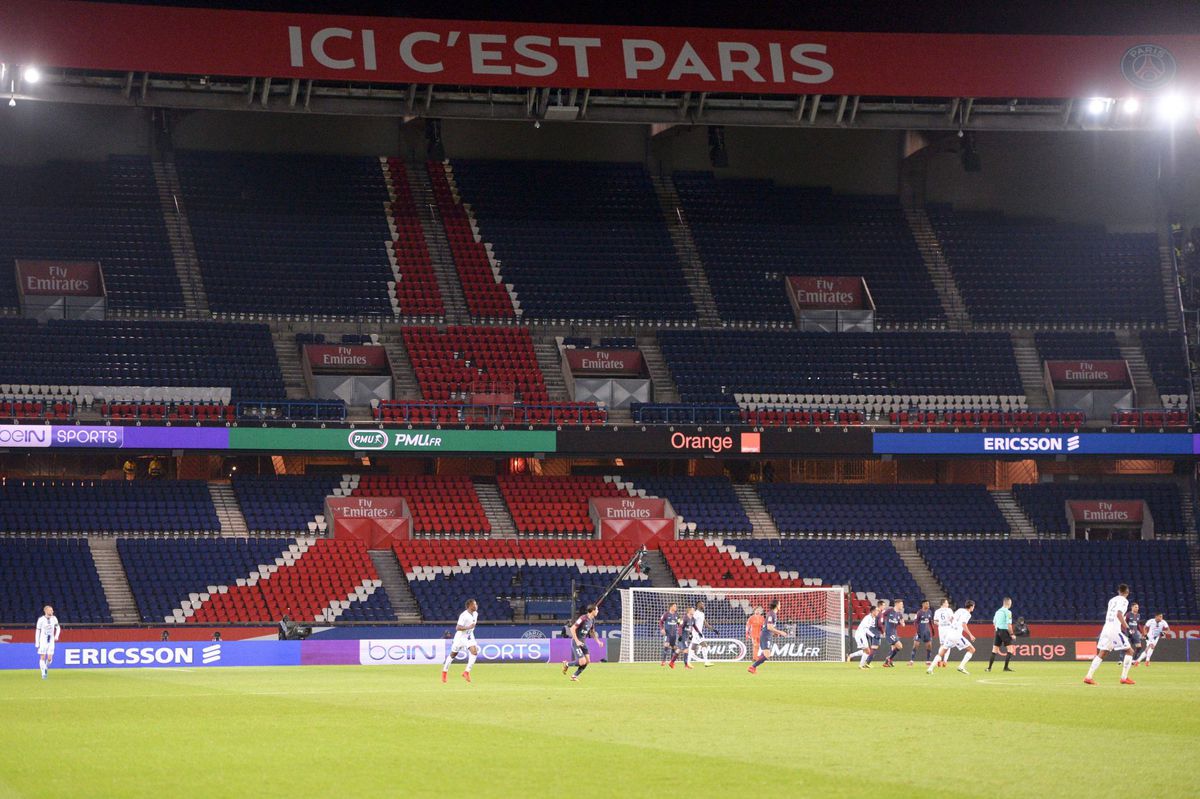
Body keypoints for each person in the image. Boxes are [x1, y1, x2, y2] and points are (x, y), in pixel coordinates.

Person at [1083, 584, 1135, 686]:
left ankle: (1088, 677)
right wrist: (1127, 628)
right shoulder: (1124, 601)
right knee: (1130, 651)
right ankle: (1124, 678)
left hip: (1106, 628)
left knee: (1103, 653)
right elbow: (1119, 614)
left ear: (1118, 591)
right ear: (1127, 592)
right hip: (1114, 630)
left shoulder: (1111, 600)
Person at [928, 600, 976, 675]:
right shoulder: (968, 614)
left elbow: (951, 619)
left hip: (950, 633)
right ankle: (961, 666)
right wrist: (970, 635)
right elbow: (963, 624)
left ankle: (930, 668)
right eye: (973, 606)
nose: (974, 608)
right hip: (957, 635)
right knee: (972, 649)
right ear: (971, 606)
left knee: (942, 652)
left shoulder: (960, 610)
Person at [441, 598, 479, 684]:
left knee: (474, 652)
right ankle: (444, 672)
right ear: (470, 606)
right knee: (453, 654)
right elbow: (457, 627)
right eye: (474, 604)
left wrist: (470, 630)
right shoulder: (463, 615)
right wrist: (468, 627)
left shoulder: (475, 614)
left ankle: (466, 672)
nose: (476, 606)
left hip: (469, 636)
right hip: (460, 637)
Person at [747, 599, 789, 674]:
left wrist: (774, 633)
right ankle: (752, 667)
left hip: (767, 635)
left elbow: (768, 627)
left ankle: (754, 665)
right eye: (779, 604)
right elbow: (769, 627)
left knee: (766, 654)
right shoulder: (771, 614)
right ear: (776, 606)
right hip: (765, 636)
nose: (780, 605)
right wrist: (780, 632)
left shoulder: (772, 614)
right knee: (767, 655)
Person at [562, 603, 600, 682]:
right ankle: (567, 664)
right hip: (576, 642)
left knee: (588, 661)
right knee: (582, 661)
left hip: (583, 642)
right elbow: (572, 629)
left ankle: (574, 676)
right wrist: (577, 641)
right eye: (596, 609)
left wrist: (598, 641)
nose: (598, 611)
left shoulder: (592, 620)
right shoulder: (583, 618)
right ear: (592, 611)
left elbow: (592, 632)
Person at [986, 597, 1016, 673]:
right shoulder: (1008, 612)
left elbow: (994, 622)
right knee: (1010, 650)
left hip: (997, 631)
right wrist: (1012, 634)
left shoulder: (997, 612)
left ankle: (989, 668)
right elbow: (1009, 624)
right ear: (1009, 603)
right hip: (1004, 631)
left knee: (994, 650)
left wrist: (997, 629)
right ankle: (1005, 668)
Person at [848, 605, 881, 669]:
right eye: (877, 610)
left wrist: (873, 636)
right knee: (867, 651)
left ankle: (851, 656)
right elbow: (865, 629)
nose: (878, 612)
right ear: (872, 611)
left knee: (866, 651)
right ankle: (861, 665)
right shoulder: (867, 618)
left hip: (863, 635)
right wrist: (874, 636)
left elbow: (867, 629)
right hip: (860, 635)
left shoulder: (873, 618)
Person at [36, 605, 60, 680]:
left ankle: (45, 667)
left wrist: (56, 636)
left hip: (51, 641)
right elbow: (38, 631)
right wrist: (37, 642)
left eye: (52, 610)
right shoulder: (41, 619)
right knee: (42, 657)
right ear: (46, 611)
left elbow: (58, 627)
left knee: (49, 658)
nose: (52, 611)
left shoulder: (54, 618)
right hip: (43, 640)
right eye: (50, 610)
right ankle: (43, 673)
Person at [908, 599, 934, 667]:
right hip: (920, 631)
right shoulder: (919, 612)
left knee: (929, 646)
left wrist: (933, 630)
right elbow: (915, 622)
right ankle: (911, 660)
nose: (928, 605)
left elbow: (930, 622)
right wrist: (917, 631)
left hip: (927, 632)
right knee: (915, 645)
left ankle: (928, 661)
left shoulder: (930, 612)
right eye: (927, 604)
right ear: (923, 604)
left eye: (928, 604)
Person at [689, 600, 713, 668]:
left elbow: (705, 624)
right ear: (698, 605)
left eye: (703, 604)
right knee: (704, 645)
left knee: (693, 648)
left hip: (699, 633)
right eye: (702, 604)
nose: (703, 605)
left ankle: (687, 662)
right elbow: (692, 623)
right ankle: (706, 662)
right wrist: (691, 633)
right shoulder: (696, 613)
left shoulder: (702, 613)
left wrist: (713, 629)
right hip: (696, 633)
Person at [931, 598, 954, 669]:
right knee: (948, 645)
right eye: (947, 603)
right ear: (943, 603)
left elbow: (934, 621)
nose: (948, 604)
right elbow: (952, 619)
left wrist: (940, 624)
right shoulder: (949, 610)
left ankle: (939, 660)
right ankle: (945, 661)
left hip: (941, 629)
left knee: (941, 645)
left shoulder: (937, 611)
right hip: (948, 628)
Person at [881, 598, 905, 667]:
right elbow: (881, 615)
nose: (902, 606)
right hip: (889, 632)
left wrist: (902, 623)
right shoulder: (889, 611)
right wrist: (883, 626)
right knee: (900, 646)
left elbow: (902, 622)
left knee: (893, 648)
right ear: (897, 604)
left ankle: (888, 662)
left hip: (894, 632)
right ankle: (888, 660)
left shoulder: (899, 614)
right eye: (901, 604)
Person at [660, 602, 680, 668]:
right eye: (674, 606)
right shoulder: (666, 614)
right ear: (671, 607)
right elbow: (661, 622)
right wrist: (662, 629)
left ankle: (671, 662)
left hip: (674, 634)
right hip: (667, 634)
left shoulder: (677, 615)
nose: (676, 607)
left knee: (674, 647)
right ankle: (663, 661)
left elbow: (679, 623)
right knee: (666, 645)